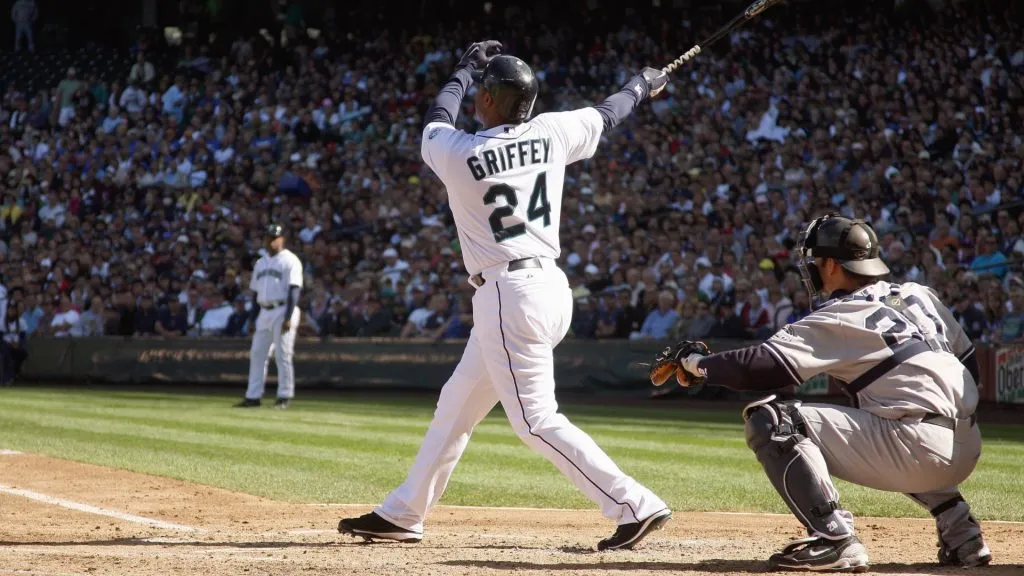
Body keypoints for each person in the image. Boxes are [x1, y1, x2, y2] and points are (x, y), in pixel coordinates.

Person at [339, 41, 672, 551]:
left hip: (507, 294)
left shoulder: (462, 152)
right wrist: (642, 86)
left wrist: (462, 70)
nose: (477, 96)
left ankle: (634, 504)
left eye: (484, 90)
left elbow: (435, 118)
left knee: (536, 419)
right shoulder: (552, 130)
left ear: (493, 98)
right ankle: (404, 511)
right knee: (456, 404)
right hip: (548, 288)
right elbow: (609, 114)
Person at [647, 213, 990, 572]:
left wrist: (696, 363)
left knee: (773, 419)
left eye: (813, 261)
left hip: (919, 448)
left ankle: (834, 539)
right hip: (967, 441)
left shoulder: (842, 313)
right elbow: (969, 364)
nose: (808, 269)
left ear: (830, 264)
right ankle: (962, 535)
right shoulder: (919, 295)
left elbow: (761, 366)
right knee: (890, 413)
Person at [235, 224, 303, 409]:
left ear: (283, 239)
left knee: (283, 354)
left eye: (275, 237)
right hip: (264, 311)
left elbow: (294, 290)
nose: (272, 240)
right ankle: (253, 396)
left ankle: (284, 396)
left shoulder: (290, 260)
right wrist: (252, 319)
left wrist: (288, 316)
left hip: (283, 309)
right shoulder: (261, 262)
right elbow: (256, 294)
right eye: (269, 237)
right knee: (257, 353)